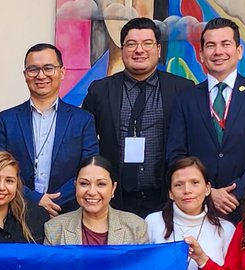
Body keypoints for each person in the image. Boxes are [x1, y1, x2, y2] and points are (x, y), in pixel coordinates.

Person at [166, 17, 245, 220]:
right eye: (210, 46)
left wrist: (236, 191)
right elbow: (176, 155)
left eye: (225, 44)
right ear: (201, 54)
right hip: (199, 208)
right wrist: (208, 192)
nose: (218, 52)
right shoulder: (185, 98)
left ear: (239, 51)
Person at [82, 17, 192, 218]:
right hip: (114, 202)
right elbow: (85, 141)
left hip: (166, 200)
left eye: (147, 43)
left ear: (158, 50)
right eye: (131, 44)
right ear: (122, 49)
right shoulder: (100, 90)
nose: (139, 50)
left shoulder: (182, 90)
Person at [0, 43, 98, 219]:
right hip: (18, 212)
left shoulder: (83, 120)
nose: (41, 75)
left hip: (68, 214)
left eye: (48, 68)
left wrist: (53, 202)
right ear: (25, 75)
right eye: (33, 69)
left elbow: (89, 169)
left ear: (62, 72)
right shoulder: (6, 120)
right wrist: (35, 198)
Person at [43, 156, 149, 245]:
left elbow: (142, 269)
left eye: (101, 184)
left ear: (113, 188)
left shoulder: (136, 227)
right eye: (84, 183)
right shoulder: (54, 228)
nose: (92, 192)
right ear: (75, 186)